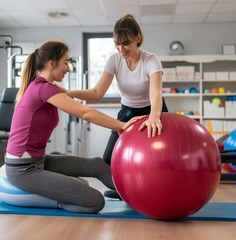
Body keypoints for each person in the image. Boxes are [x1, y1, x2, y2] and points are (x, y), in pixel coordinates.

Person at [5, 40, 143, 214]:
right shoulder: (41, 88)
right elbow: (84, 112)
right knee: (95, 201)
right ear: (51, 63)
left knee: (97, 165)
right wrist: (121, 125)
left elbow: (81, 104)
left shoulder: (44, 88)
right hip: (23, 169)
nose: (68, 68)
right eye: (65, 62)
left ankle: (140, 197)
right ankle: (56, 202)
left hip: (39, 161)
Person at [61, 14, 169, 199]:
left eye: (126, 43)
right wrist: (69, 93)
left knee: (158, 156)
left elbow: (155, 93)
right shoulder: (115, 60)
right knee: (108, 159)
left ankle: (156, 190)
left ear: (138, 38)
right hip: (127, 111)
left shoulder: (151, 60)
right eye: (117, 44)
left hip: (154, 109)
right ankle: (124, 189)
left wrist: (154, 116)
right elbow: (97, 93)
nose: (121, 49)